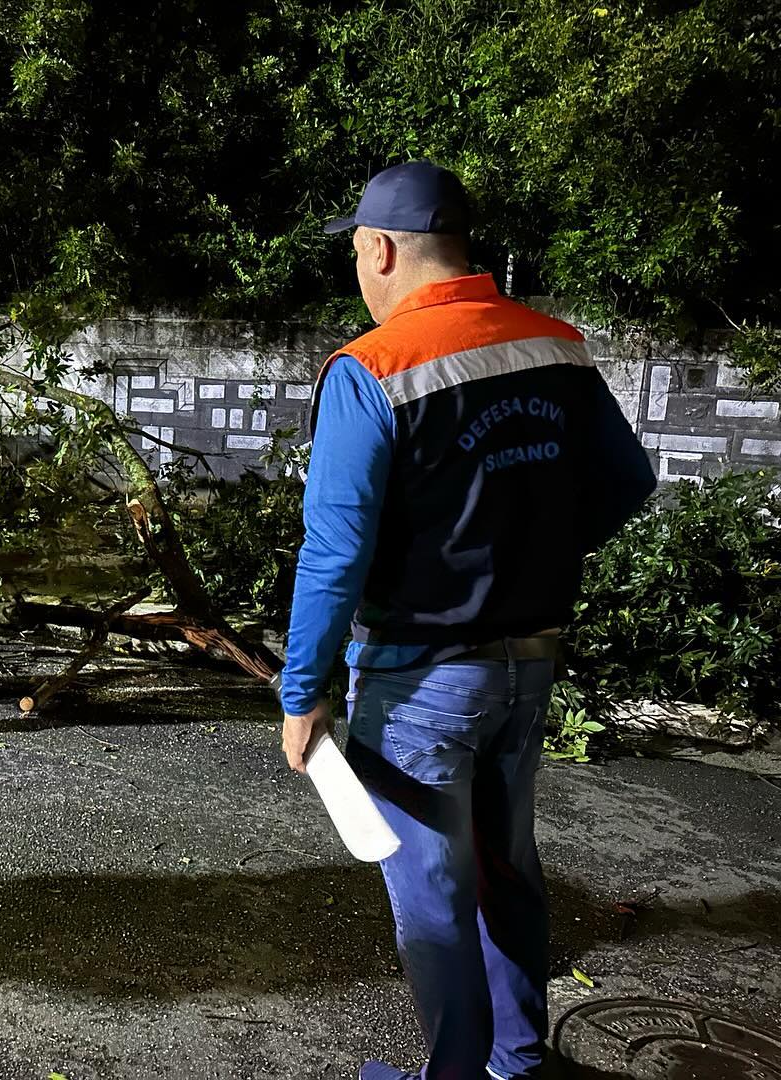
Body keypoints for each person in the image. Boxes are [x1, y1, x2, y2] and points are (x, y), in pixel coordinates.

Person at [279, 161, 656, 1080]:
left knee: (433, 897)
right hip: (530, 665)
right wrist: (527, 553)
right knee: (506, 867)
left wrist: (302, 691)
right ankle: (518, 1061)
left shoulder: (372, 367)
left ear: (378, 249)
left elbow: (336, 551)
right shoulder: (555, 346)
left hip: (420, 678)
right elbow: (628, 484)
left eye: (357, 255)